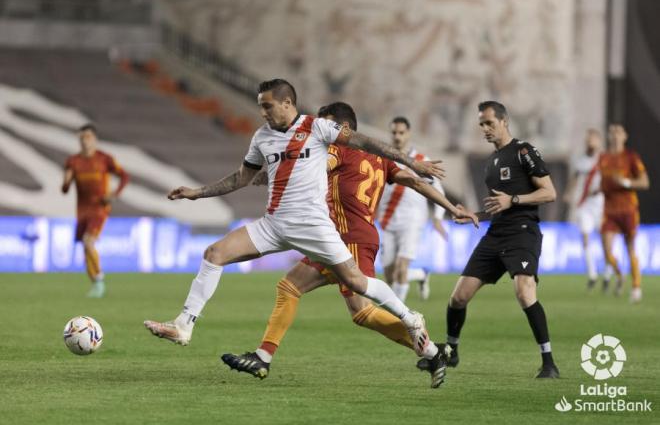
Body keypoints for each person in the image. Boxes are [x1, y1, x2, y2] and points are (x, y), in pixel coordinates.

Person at [144, 79, 449, 387]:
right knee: (215, 254)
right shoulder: (261, 137)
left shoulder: (318, 128)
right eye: (260, 105)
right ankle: (185, 326)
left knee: (357, 285)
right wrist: (199, 192)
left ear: (287, 103)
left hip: (314, 227)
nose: (262, 112)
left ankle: (411, 319)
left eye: (267, 105)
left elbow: (367, 142)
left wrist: (411, 161)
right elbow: (242, 178)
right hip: (273, 224)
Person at [220, 102, 478, 386]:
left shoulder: (338, 150)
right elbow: (416, 182)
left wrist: (266, 175)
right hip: (340, 237)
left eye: (326, 124)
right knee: (293, 288)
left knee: (363, 311)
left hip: (349, 237)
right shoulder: (379, 158)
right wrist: (452, 208)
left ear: (341, 128)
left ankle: (427, 344)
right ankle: (263, 356)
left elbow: (305, 166)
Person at [422, 101, 560, 379]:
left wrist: (515, 199)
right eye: (481, 124)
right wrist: (476, 215)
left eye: (489, 123)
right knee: (458, 297)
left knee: (524, 291)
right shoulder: (491, 163)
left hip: (523, 231)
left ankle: (549, 362)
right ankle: (452, 351)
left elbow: (549, 192)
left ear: (504, 121)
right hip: (495, 233)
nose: (484, 129)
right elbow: (500, 206)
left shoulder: (524, 151)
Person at [378, 117, 448, 301]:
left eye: (401, 133)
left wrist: (438, 217)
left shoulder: (420, 161)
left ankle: (399, 314)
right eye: (394, 132)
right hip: (388, 219)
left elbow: (437, 188)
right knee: (390, 273)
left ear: (408, 134)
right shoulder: (383, 159)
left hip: (413, 220)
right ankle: (420, 275)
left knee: (402, 267)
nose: (397, 137)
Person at [61, 124, 129, 297]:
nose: (85, 140)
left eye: (88, 137)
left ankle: (99, 279)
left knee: (88, 241)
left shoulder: (104, 159)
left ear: (95, 139)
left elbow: (124, 176)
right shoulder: (73, 161)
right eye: (82, 137)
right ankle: (95, 284)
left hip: (100, 207)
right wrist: (66, 182)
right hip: (82, 210)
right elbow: (64, 190)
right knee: (85, 247)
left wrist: (114, 193)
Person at [597, 124, 649, 303]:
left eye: (618, 132)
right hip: (609, 210)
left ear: (625, 136)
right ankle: (619, 275)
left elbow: (644, 182)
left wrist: (625, 182)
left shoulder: (631, 157)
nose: (615, 135)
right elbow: (601, 181)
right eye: (611, 132)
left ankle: (636, 287)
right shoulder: (603, 158)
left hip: (628, 210)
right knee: (606, 251)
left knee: (630, 249)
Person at [564, 129, 608, 289]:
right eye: (588, 140)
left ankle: (608, 274)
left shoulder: (604, 159)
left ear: (599, 141)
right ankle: (592, 274)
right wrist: (569, 193)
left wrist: (600, 190)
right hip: (584, 205)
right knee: (585, 237)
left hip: (601, 204)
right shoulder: (580, 159)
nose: (589, 142)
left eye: (592, 140)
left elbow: (610, 181)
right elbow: (575, 178)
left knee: (605, 240)